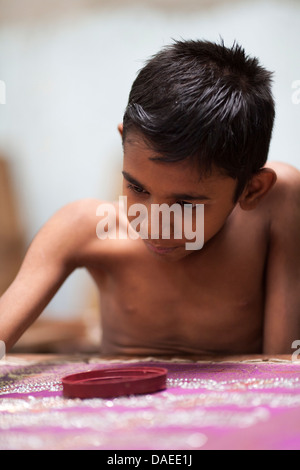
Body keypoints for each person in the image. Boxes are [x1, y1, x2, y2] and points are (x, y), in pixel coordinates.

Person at [1, 39, 300, 357]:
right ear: (124, 144)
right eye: (137, 188)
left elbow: (282, 369)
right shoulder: (81, 228)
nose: (155, 225)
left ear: (252, 190)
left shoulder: (276, 206)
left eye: (185, 205)